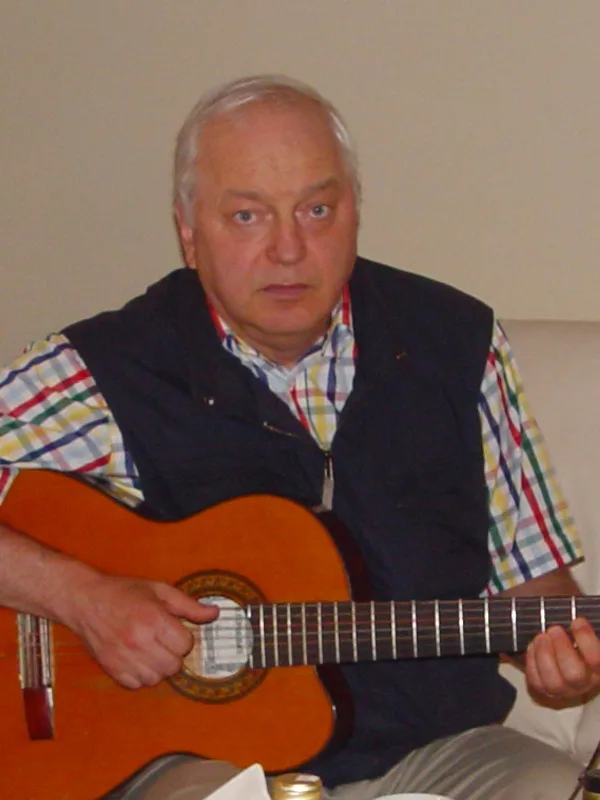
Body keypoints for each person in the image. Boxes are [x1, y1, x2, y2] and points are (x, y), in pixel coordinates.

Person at [1, 74, 599, 800]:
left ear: (354, 212)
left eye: (317, 209)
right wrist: (81, 597)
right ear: (189, 232)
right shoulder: (107, 369)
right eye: (247, 216)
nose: (289, 249)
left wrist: (562, 655)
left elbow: (535, 583)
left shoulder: (456, 343)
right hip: (198, 761)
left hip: (440, 748)